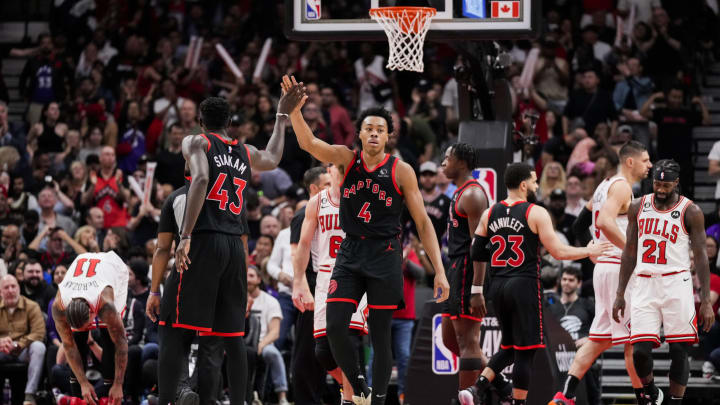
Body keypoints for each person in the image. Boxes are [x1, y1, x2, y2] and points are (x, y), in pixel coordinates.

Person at [287, 75, 449, 405]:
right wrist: (293, 113)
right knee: (334, 328)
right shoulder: (346, 160)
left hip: (386, 254)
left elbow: (422, 222)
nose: (374, 133)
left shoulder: (401, 170)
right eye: (369, 128)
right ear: (359, 134)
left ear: (388, 137)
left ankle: (374, 400)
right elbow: (310, 145)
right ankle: (358, 384)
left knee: (379, 334)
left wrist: (440, 270)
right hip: (351, 251)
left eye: (380, 129)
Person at [160, 83, 304, 405]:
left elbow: (199, 179)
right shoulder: (244, 150)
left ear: (200, 121)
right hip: (236, 248)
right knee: (234, 336)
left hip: (206, 239)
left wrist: (185, 235)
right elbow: (273, 157)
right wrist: (281, 118)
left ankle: (172, 395)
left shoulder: (197, 141)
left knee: (173, 323)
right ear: (229, 123)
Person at [458, 162, 610, 405]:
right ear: (523, 184)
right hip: (523, 285)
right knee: (526, 352)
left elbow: (476, 251)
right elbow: (559, 252)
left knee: (508, 346)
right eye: (534, 180)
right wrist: (588, 250)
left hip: (497, 286)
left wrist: (501, 255)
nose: (537, 185)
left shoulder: (490, 212)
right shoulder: (535, 212)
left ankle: (476, 389)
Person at [550, 141, 652, 405]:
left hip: (604, 268)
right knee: (635, 340)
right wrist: (633, 251)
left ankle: (565, 395)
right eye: (645, 160)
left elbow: (581, 225)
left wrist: (590, 248)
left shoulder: (603, 185)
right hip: (619, 267)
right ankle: (645, 399)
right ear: (630, 162)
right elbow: (605, 222)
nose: (649, 165)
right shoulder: (621, 187)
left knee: (597, 340)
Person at [613, 160, 716, 405]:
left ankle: (675, 401)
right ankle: (651, 391)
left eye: (665, 184)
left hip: (676, 283)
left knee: (680, 351)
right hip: (644, 282)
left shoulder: (691, 211)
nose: (660, 189)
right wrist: (620, 292)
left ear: (676, 183)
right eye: (657, 183)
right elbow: (629, 251)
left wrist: (706, 300)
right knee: (639, 352)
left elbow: (701, 256)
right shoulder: (638, 206)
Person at [292, 163, 368, 405]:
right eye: (338, 166)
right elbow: (303, 245)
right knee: (323, 351)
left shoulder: (364, 198)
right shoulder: (317, 202)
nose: (344, 170)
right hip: (325, 276)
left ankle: (349, 399)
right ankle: (360, 390)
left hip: (354, 275)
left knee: (347, 342)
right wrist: (299, 282)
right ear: (330, 170)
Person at [145, 169, 222, 405]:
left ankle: (175, 393)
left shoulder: (178, 197)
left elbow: (162, 249)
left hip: (187, 274)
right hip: (222, 275)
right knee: (212, 346)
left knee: (172, 338)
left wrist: (154, 290)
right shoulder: (230, 196)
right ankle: (204, 397)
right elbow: (240, 243)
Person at [439, 143, 508, 396]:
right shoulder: (459, 193)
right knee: (448, 339)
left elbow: (480, 246)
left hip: (469, 269)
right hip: (455, 267)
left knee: (468, 343)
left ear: (462, 162)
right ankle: (500, 384)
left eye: (447, 158)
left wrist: (477, 288)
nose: (443, 162)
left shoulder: (473, 194)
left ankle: (468, 397)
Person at [51, 251, 130, 405]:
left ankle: (110, 394)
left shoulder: (106, 304)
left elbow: (121, 345)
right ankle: (80, 397)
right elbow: (68, 345)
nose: (89, 329)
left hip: (113, 267)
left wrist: (118, 384)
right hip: (82, 263)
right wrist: (83, 383)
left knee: (109, 336)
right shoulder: (58, 306)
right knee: (77, 338)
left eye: (88, 324)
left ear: (92, 312)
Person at [289, 166, 332, 405]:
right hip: (311, 286)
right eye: (327, 184)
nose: (332, 188)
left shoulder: (331, 211)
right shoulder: (302, 214)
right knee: (307, 352)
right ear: (314, 188)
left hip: (330, 286)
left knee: (326, 350)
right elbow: (297, 255)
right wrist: (302, 287)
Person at [548, 268, 599, 404]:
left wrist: (589, 339)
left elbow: (602, 328)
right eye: (564, 279)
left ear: (579, 283)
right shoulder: (552, 305)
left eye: (571, 280)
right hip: (558, 359)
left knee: (592, 395)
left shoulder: (587, 304)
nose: (567, 283)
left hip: (583, 358)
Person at [0, 275, 47, 405]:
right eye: (6, 287)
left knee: (39, 347)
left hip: (23, 351)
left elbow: (39, 333)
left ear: (19, 288)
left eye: (13, 286)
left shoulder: (32, 306)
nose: (10, 290)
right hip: (2, 351)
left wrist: (17, 344)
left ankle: (29, 395)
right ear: (0, 291)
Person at [246, 265, 289, 404]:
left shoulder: (271, 301)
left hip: (264, 342)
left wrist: (261, 344)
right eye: (245, 276)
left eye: (251, 276)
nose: (248, 280)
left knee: (273, 354)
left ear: (259, 279)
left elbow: (275, 332)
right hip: (239, 342)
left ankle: (282, 396)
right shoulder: (236, 299)